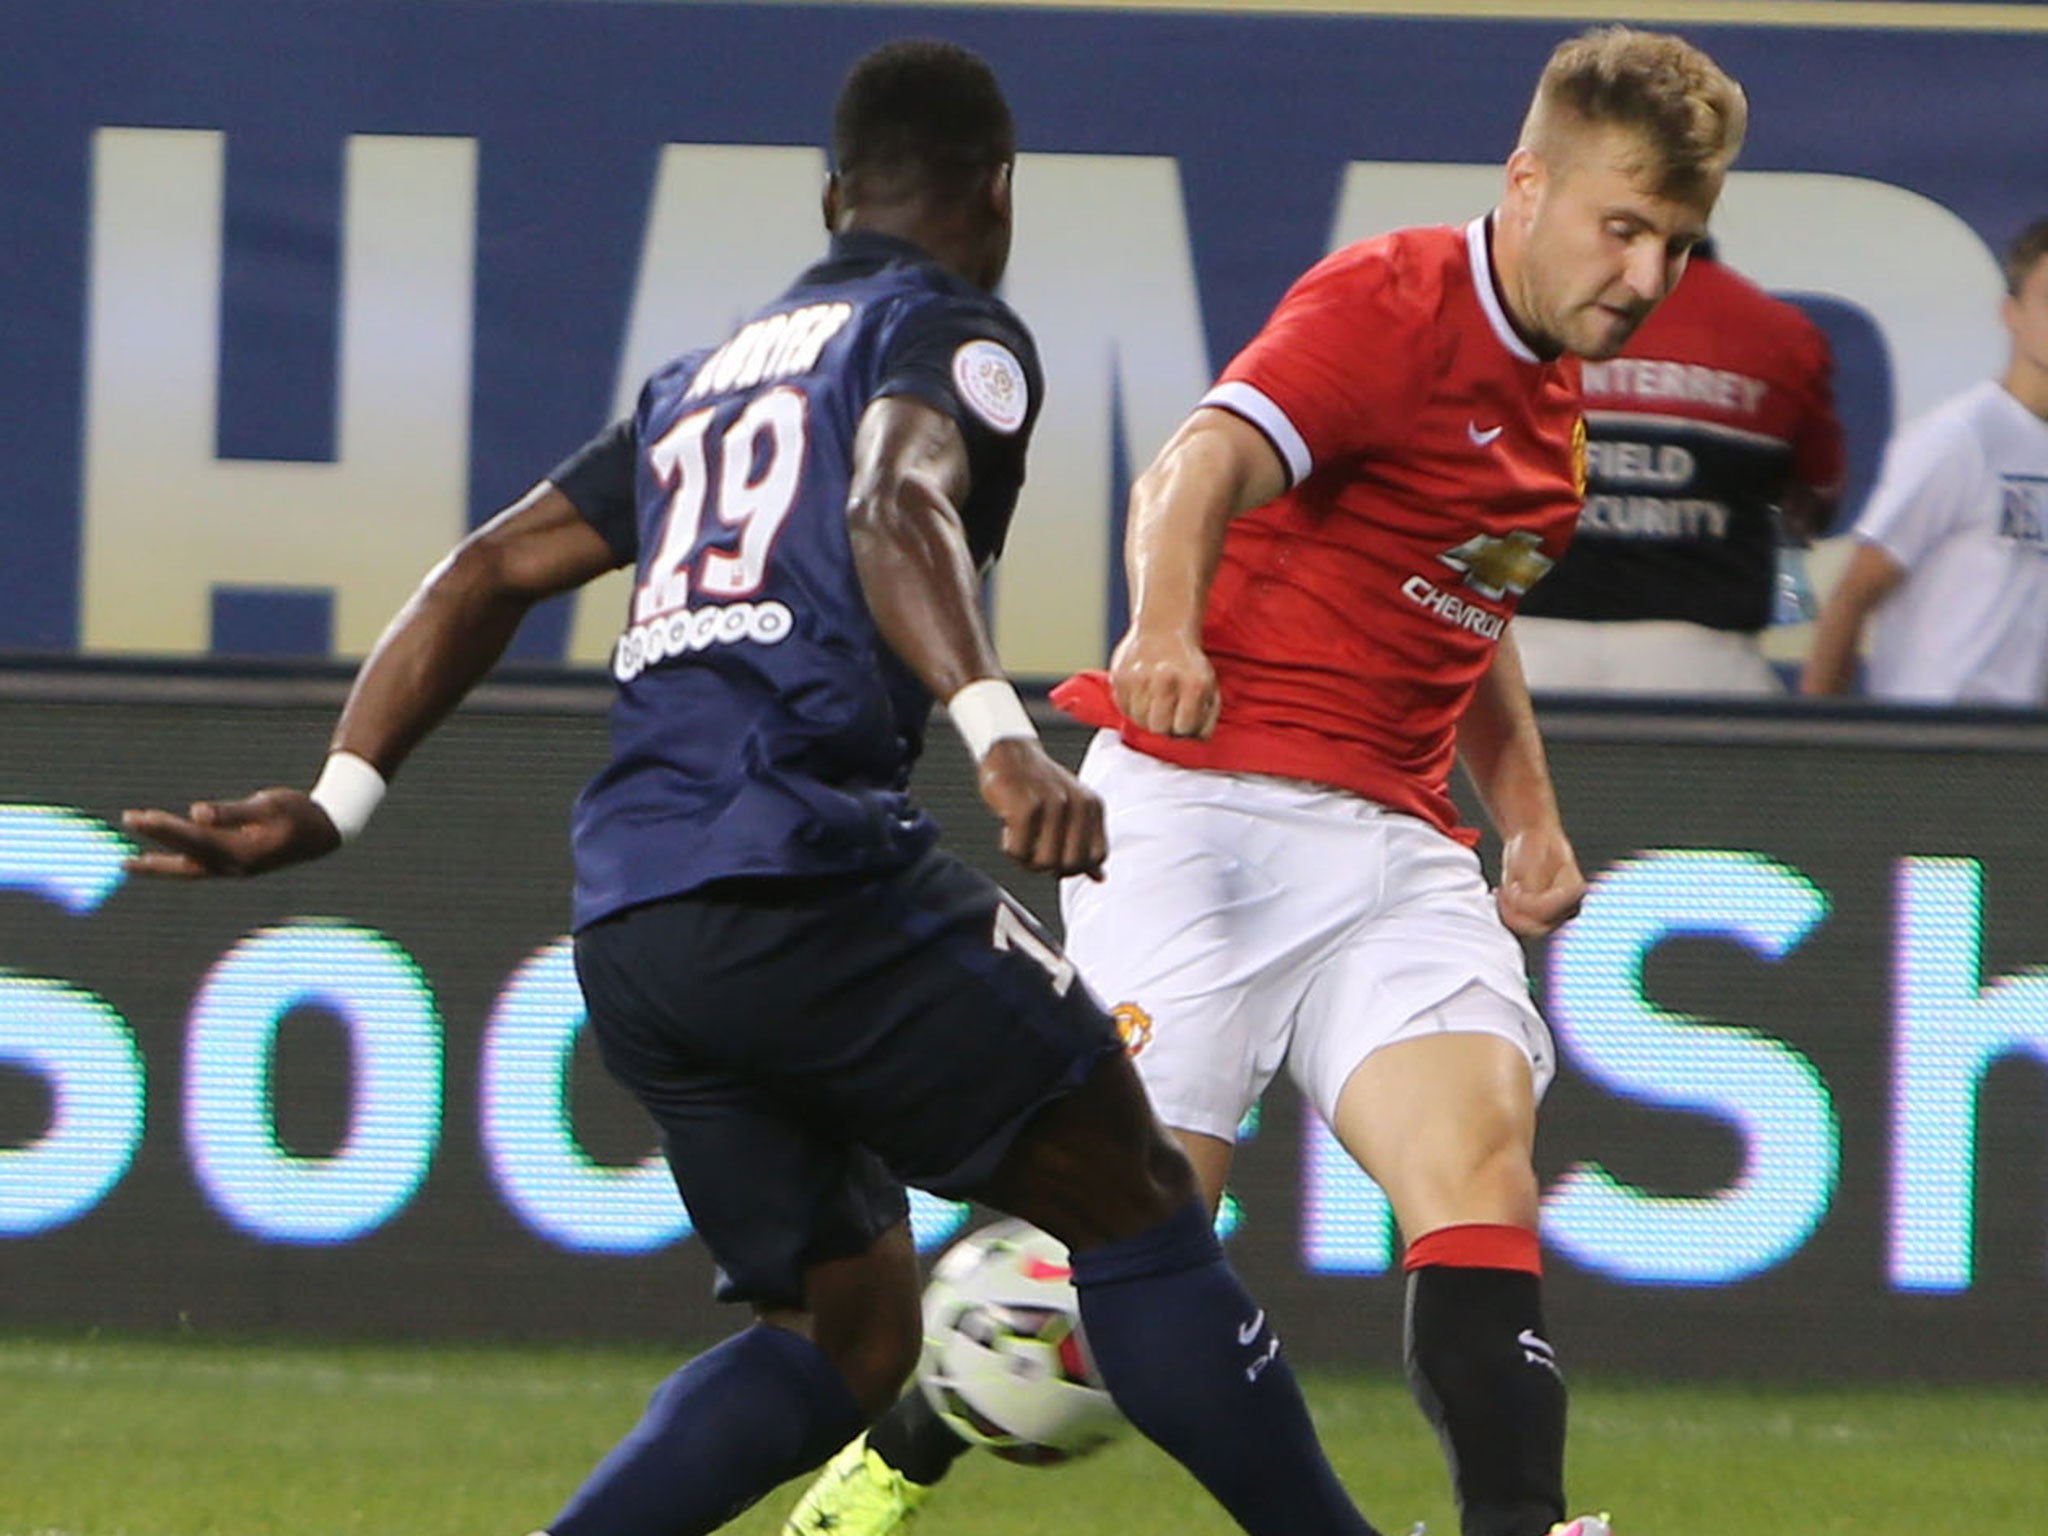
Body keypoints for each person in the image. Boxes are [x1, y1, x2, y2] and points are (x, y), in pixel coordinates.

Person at [120, 40, 1387, 1536]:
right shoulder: (947, 329)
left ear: (832, 198)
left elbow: (486, 568)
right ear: (999, 192)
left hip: (638, 927)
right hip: (811, 875)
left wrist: (338, 800)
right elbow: (892, 500)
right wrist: (997, 733)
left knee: (846, 1331)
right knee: (1138, 1205)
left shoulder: (699, 381)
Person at [785, 26, 1746, 1536]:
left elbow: (1466, 603)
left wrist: (1530, 816)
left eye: (1676, 245)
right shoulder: (1393, 301)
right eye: (1621, 226)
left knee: (1481, 1175)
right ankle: (901, 1451)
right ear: (1527, 183)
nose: (1644, 274)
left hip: (1394, 851)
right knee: (1118, 1258)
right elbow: (1195, 466)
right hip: (1200, 819)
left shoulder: (1552, 414)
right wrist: (1165, 628)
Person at [1513, 239, 1844, 694]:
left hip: (1527, 653)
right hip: (1704, 666)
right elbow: (1818, 497)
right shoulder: (1780, 333)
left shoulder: (1517, 317)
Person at [1801, 217, 2048, 705]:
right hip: (1940, 729)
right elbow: (1853, 596)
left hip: (2025, 741)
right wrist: (1814, 739)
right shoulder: (1960, 439)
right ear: (2011, 313)